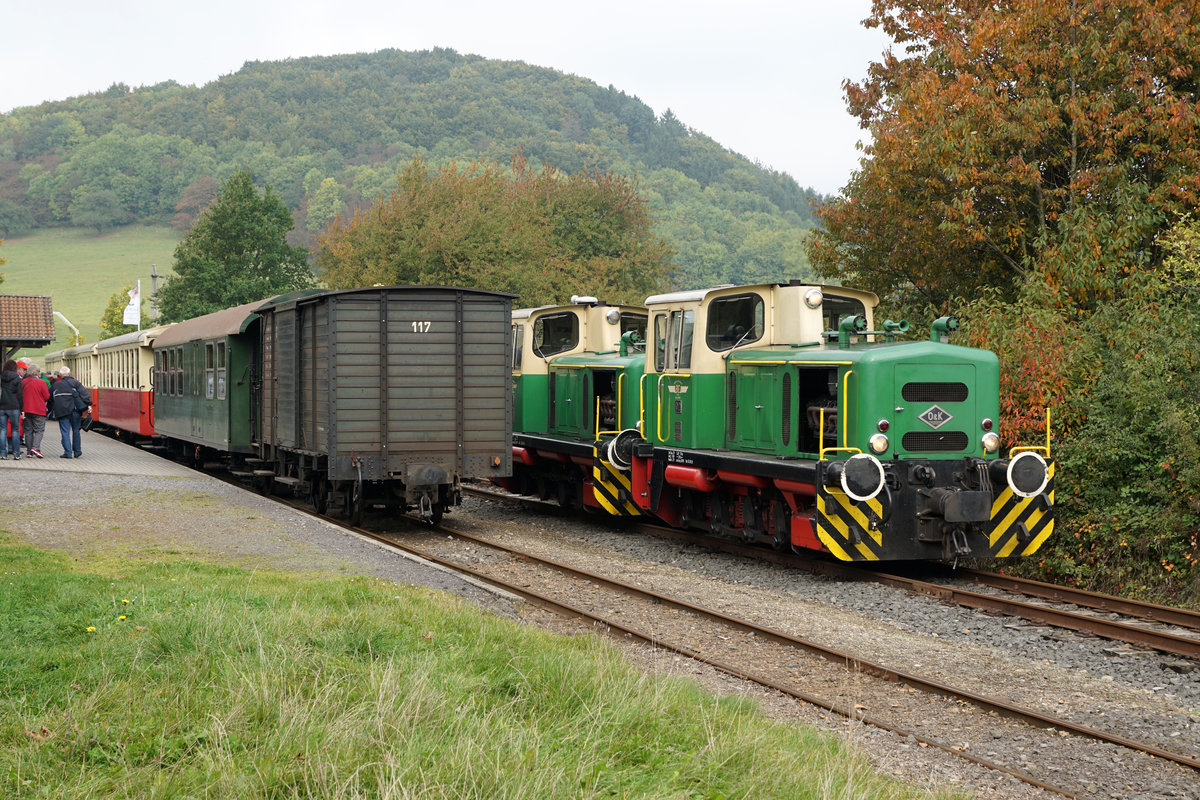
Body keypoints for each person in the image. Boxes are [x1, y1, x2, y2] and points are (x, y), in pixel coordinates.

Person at [50, 366, 90, 459]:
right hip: (75, 411)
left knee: (65, 431)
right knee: (76, 430)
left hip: (62, 411)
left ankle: (68, 453)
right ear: (69, 374)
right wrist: (87, 404)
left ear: (60, 375)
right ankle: (77, 451)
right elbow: (85, 395)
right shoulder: (76, 383)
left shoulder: (56, 384)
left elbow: (50, 398)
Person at [21, 364, 51, 458]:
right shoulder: (41, 383)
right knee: (39, 430)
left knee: (28, 431)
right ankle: (36, 448)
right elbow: (47, 397)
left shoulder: (22, 382)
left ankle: (29, 452)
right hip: (39, 410)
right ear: (37, 372)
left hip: (26, 410)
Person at [0, 359, 23, 459]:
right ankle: (16, 454)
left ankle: (3, 454)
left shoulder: (1, 377)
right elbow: (20, 395)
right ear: (15, 368)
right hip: (14, 407)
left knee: (2, 430)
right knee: (15, 430)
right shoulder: (17, 379)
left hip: (2, 406)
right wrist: (21, 408)